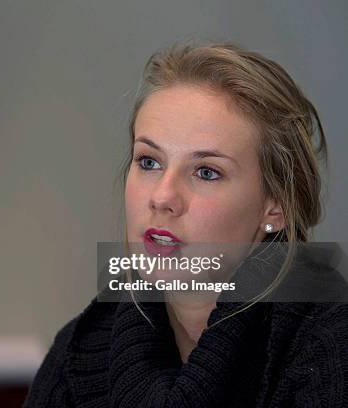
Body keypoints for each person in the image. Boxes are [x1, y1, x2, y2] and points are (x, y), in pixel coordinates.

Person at [23, 42, 348, 407]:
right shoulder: (82, 350)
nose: (162, 197)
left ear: (276, 207)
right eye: (148, 162)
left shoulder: (330, 349)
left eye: (206, 172)